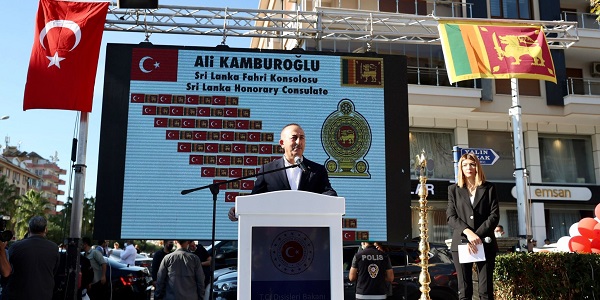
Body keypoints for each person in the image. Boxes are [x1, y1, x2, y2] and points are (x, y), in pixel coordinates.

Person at [228, 123, 337, 221]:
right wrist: (239, 210)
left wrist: (333, 203)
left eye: (302, 138)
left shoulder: (317, 170)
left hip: (308, 228)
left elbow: (329, 193)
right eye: (294, 138)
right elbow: (255, 198)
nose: (299, 142)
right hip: (276, 230)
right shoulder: (268, 170)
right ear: (282, 143)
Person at [447, 153, 499, 300]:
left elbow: (494, 216)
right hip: (461, 243)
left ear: (477, 167)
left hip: (485, 242)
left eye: (472, 164)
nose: (468, 167)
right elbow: (451, 217)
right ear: (460, 168)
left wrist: (477, 236)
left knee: (485, 291)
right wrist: (468, 233)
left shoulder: (489, 188)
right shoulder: (453, 190)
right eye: (465, 165)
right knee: (464, 291)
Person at [6, 216, 60, 300]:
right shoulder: (54, 248)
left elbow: (7, 270)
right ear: (46, 230)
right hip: (43, 295)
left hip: (18, 295)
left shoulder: (15, 246)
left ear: (28, 229)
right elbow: (54, 270)